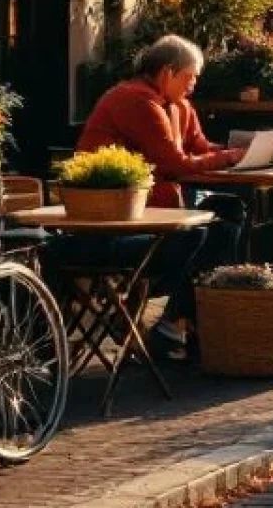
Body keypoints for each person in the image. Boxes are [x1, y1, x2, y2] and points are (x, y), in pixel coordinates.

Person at [71, 34, 248, 350]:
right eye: (189, 77)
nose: (193, 85)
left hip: (158, 211)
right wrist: (231, 157)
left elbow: (199, 147)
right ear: (167, 72)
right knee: (203, 233)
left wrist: (239, 151)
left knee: (230, 213)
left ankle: (179, 320)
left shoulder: (178, 105)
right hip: (117, 222)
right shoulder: (138, 100)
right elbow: (175, 164)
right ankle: (176, 319)